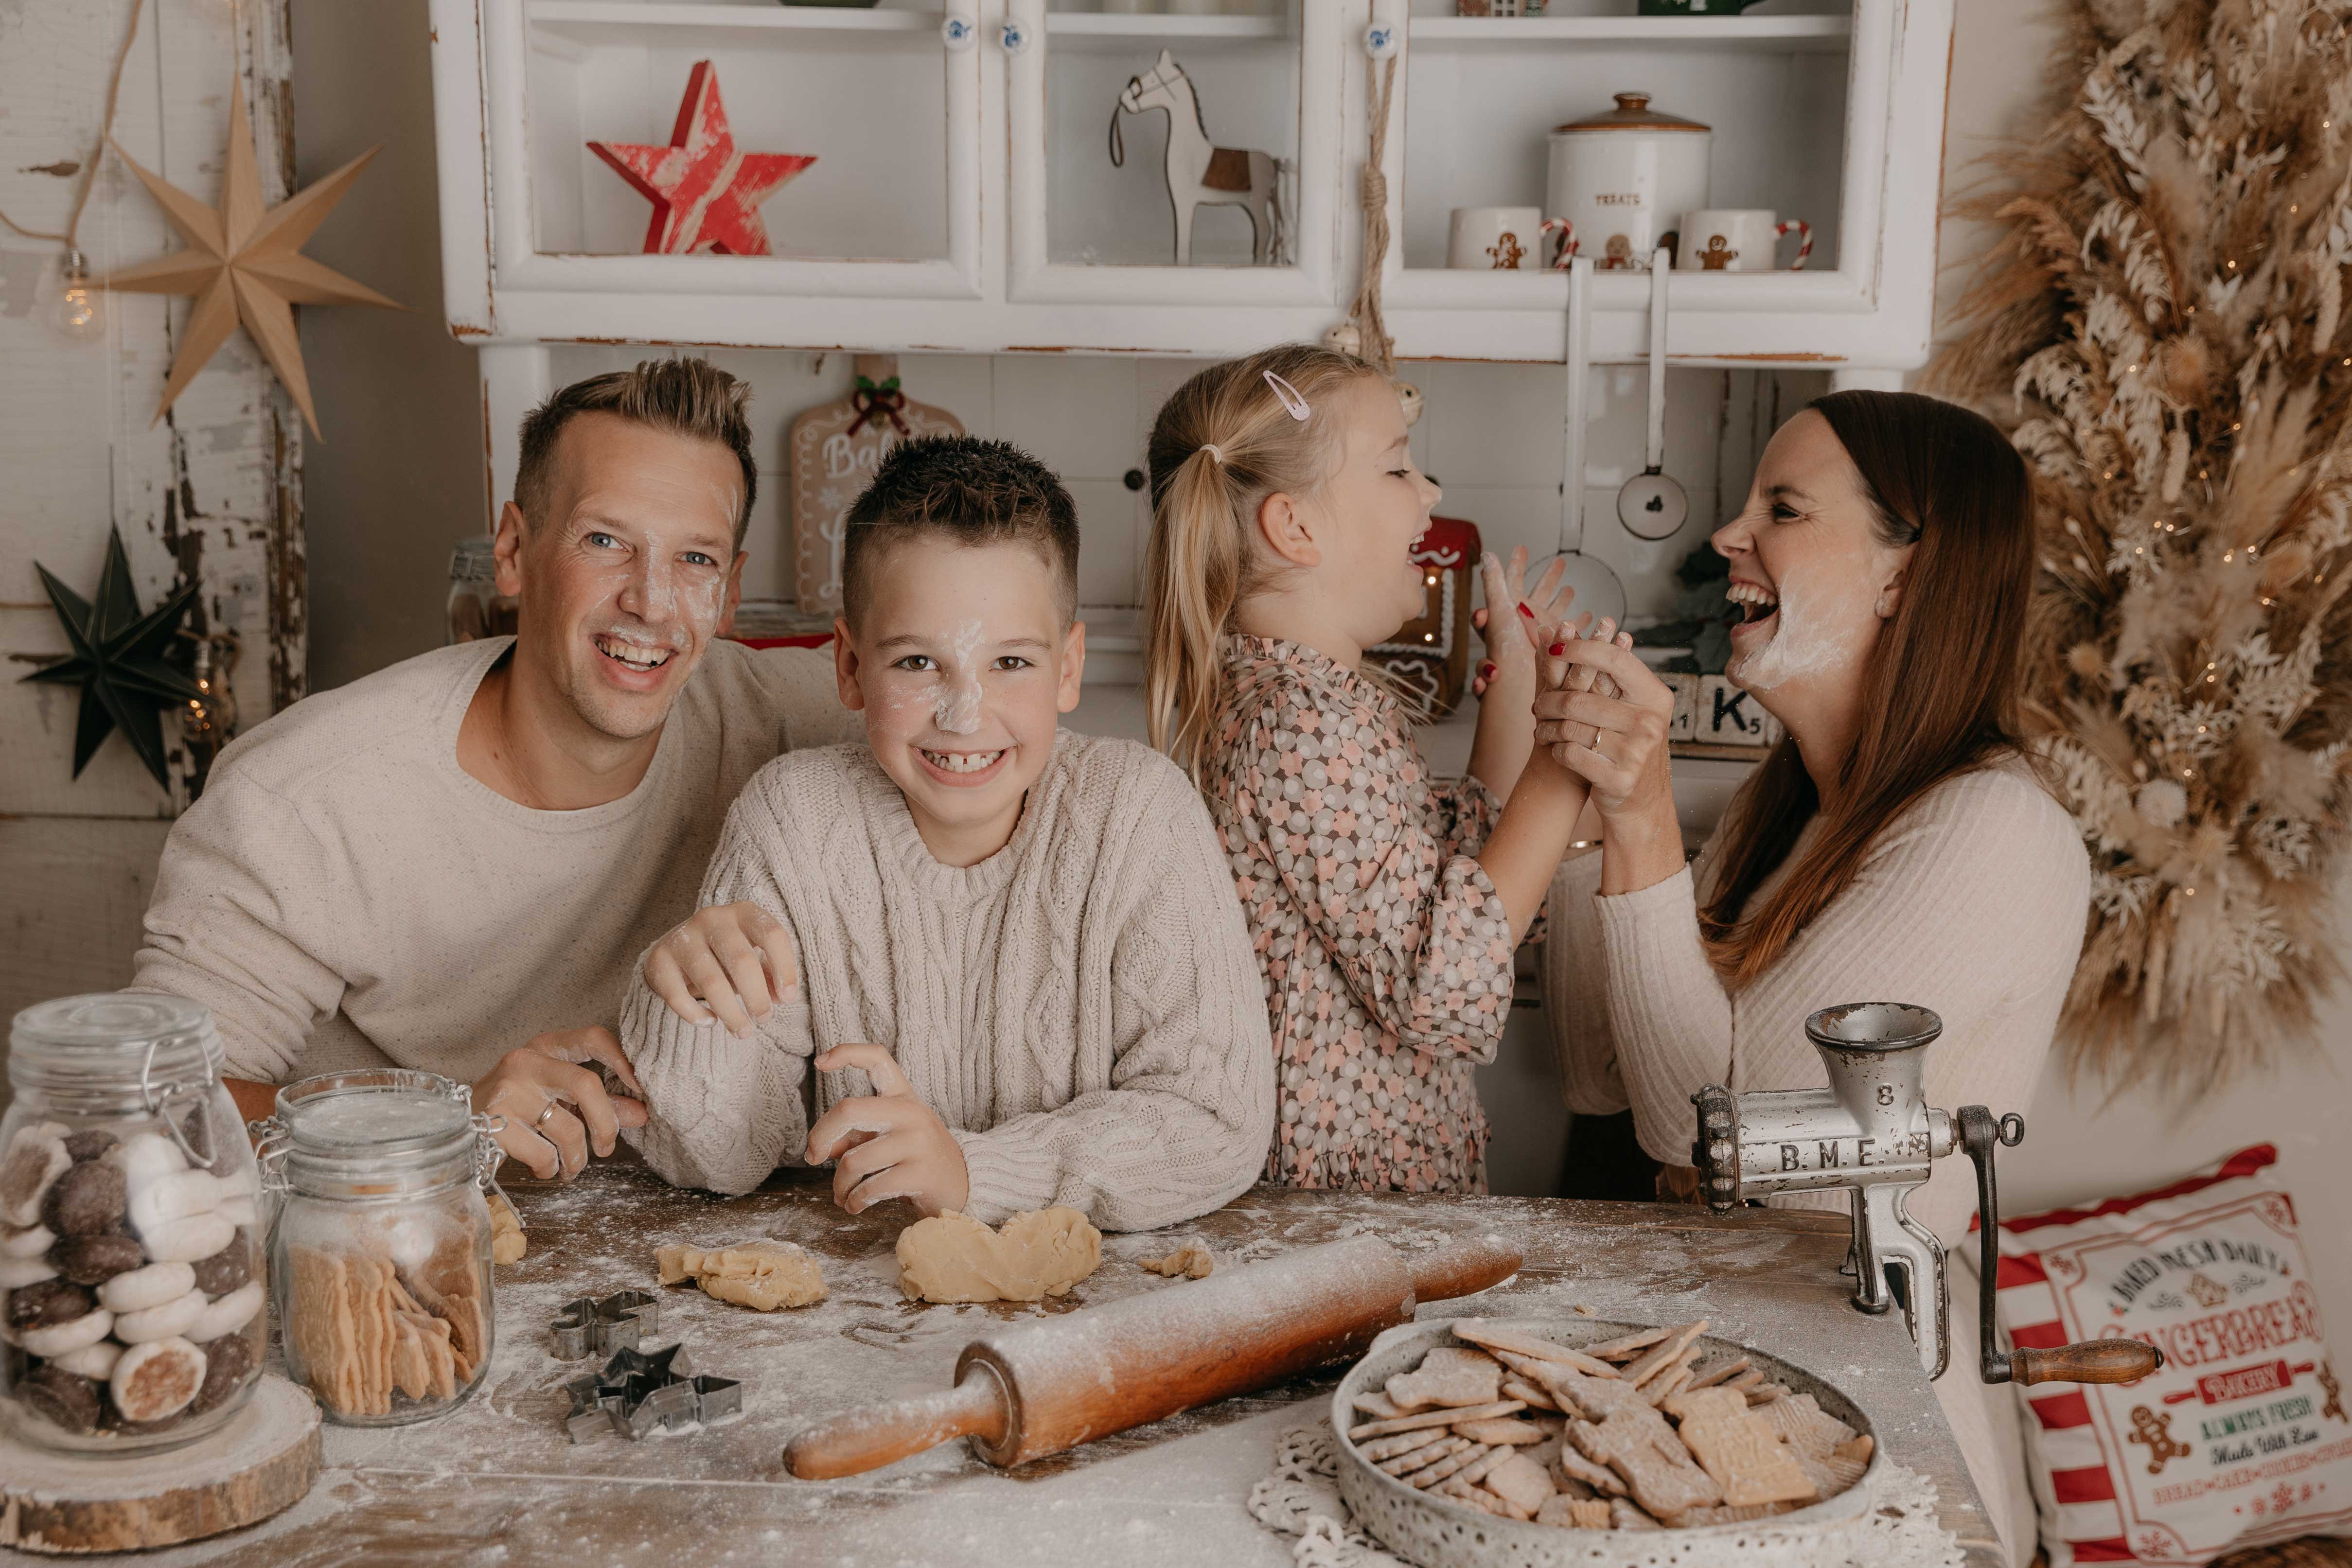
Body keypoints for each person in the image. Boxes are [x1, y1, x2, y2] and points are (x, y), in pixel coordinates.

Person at [1536, 389, 2088, 1566]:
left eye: (1780, 509)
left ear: (1905, 574)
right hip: (1733, 1381)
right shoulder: (1775, 808)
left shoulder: (1989, 831)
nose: (1725, 540)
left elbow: (1706, 1143)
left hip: (1871, 1429)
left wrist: (1639, 820)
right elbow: (1593, 1072)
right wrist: (1585, 801)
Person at [133, 359, 856, 1182]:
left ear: (728, 596)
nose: (651, 602)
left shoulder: (786, 719)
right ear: (513, 551)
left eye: (695, 560)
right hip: (382, 1260)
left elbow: (1000, 717)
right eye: (605, 541)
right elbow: (149, 1110)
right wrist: (434, 1131)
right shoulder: (304, 799)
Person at [619, 436, 1274, 1232]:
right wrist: (685, 1001)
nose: (965, 716)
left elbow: (1217, 1120)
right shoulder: (792, 818)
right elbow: (715, 1158)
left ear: (1068, 668)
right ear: (851, 667)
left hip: (1103, 1311)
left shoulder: (1138, 813)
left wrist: (975, 1170)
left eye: (1009, 663)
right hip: (860, 1310)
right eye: (918, 664)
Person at [1139, 342, 1619, 1194]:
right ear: (1296, 526)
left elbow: (1461, 877)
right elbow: (1440, 973)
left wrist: (1516, 680)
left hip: (1356, 1179)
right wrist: (1563, 758)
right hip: (1337, 1198)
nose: (1429, 494)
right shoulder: (1303, 723)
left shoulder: (1307, 699)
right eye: (1398, 469)